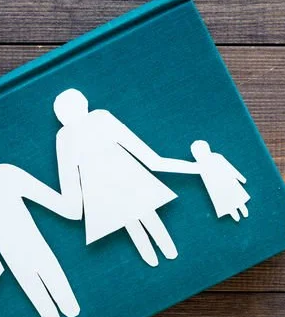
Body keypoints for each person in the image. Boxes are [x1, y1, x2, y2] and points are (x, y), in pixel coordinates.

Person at [53, 88, 199, 267]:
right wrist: (195, 167)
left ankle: (155, 255)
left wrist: (71, 207)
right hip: (126, 181)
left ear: (61, 116)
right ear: (83, 104)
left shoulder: (65, 136)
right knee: (143, 215)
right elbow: (149, 157)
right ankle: (164, 251)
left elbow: (69, 181)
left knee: (132, 220)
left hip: (107, 191)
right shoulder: (98, 118)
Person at [0, 141, 81, 317]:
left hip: (21, 261)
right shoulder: (3, 174)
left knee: (57, 314)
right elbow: (57, 203)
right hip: (34, 251)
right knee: (67, 309)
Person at [190, 140, 250, 221]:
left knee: (236, 197)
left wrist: (241, 178)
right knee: (227, 201)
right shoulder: (199, 165)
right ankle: (234, 212)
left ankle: (241, 208)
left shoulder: (216, 157)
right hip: (217, 188)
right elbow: (188, 168)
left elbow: (229, 168)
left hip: (227, 182)